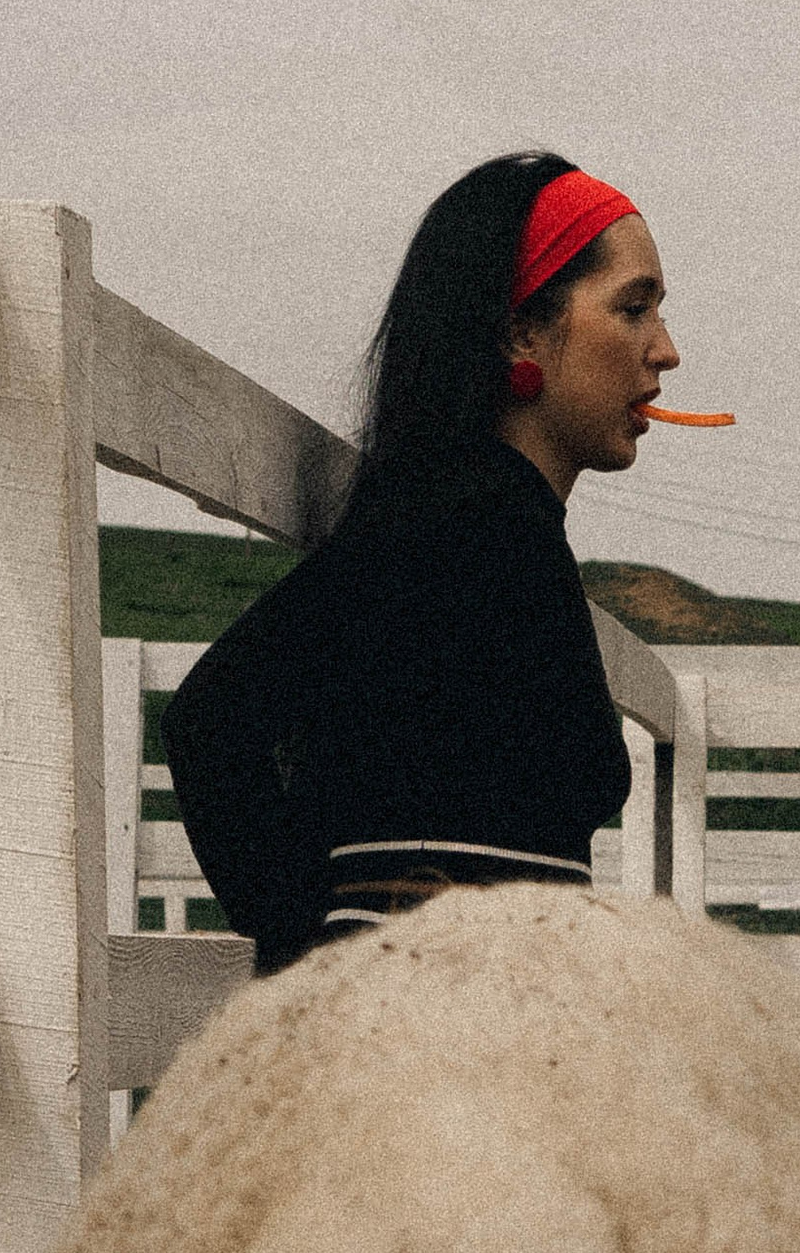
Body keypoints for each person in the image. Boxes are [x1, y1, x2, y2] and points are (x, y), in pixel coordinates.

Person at [164, 152, 680, 969]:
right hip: (439, 1054)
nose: (666, 352)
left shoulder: (498, 532)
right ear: (522, 331)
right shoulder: (455, 526)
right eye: (633, 308)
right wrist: (317, 967)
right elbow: (212, 721)